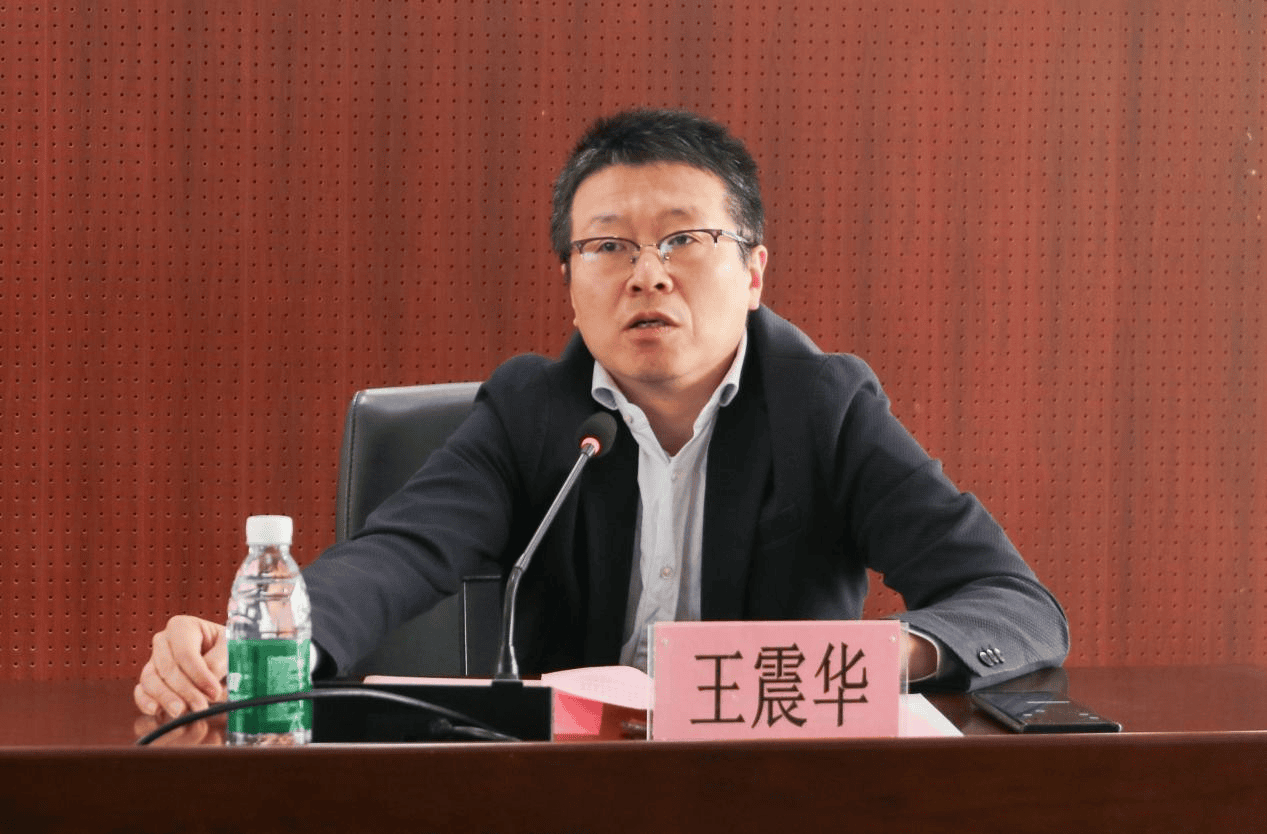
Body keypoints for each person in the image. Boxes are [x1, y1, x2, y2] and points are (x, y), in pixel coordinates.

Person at [135, 109, 1068, 720]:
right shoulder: (531, 412)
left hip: (770, 783)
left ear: (752, 272)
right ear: (571, 284)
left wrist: (865, 662)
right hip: (572, 791)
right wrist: (267, 642)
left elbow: (1013, 605)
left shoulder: (823, 408)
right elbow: (399, 553)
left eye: (684, 239)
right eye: (608, 246)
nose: (647, 273)